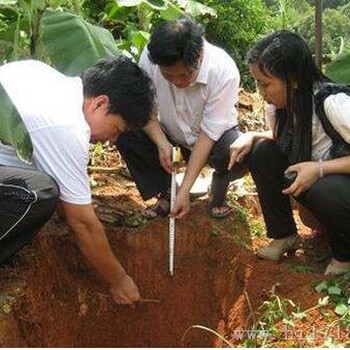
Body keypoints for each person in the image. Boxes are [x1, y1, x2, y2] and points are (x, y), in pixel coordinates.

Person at [0, 57, 155, 304]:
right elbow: (82, 224)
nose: (112, 140)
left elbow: (68, 201)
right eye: (117, 129)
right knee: (39, 193)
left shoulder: (42, 74)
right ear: (100, 104)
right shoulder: (68, 127)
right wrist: (119, 279)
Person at [228, 31, 350, 275]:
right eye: (258, 83)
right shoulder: (280, 108)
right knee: (262, 152)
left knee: (326, 188)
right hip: (321, 188)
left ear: (293, 79)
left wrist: (320, 169)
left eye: (266, 83)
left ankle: (345, 254)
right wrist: (253, 136)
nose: (261, 91)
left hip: (337, 190)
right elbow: (282, 137)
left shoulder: (332, 103)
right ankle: (284, 235)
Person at [117, 17, 246, 220]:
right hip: (170, 135)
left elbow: (208, 134)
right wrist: (161, 143)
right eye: (168, 76)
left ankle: (218, 192)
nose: (178, 82)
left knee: (237, 153)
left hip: (211, 141)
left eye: (185, 75)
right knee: (126, 132)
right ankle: (167, 192)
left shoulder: (223, 71)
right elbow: (143, 107)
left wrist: (186, 189)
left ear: (199, 57)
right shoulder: (151, 60)